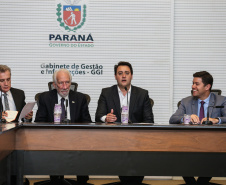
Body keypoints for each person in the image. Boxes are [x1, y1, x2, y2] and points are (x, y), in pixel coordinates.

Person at [95, 61, 154, 185]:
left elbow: (149, 120)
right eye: (120, 73)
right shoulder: (106, 93)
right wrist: (106, 118)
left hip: (137, 139)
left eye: (126, 73)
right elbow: (98, 116)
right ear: (115, 76)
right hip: (115, 138)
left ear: (131, 76)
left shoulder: (142, 94)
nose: (123, 76)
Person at [35, 69, 92, 185]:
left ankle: (82, 182)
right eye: (61, 83)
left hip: (76, 139)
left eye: (67, 82)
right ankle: (56, 180)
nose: (65, 87)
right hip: (53, 139)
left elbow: (87, 122)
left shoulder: (80, 98)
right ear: (54, 85)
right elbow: (39, 122)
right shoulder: (45, 98)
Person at [169, 71, 226, 185]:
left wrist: (217, 120)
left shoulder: (221, 100)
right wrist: (187, 117)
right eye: (193, 83)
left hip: (213, 144)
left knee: (214, 156)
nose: (193, 86)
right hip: (190, 143)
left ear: (207, 87)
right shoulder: (186, 101)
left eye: (196, 84)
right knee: (179, 154)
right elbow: (173, 119)